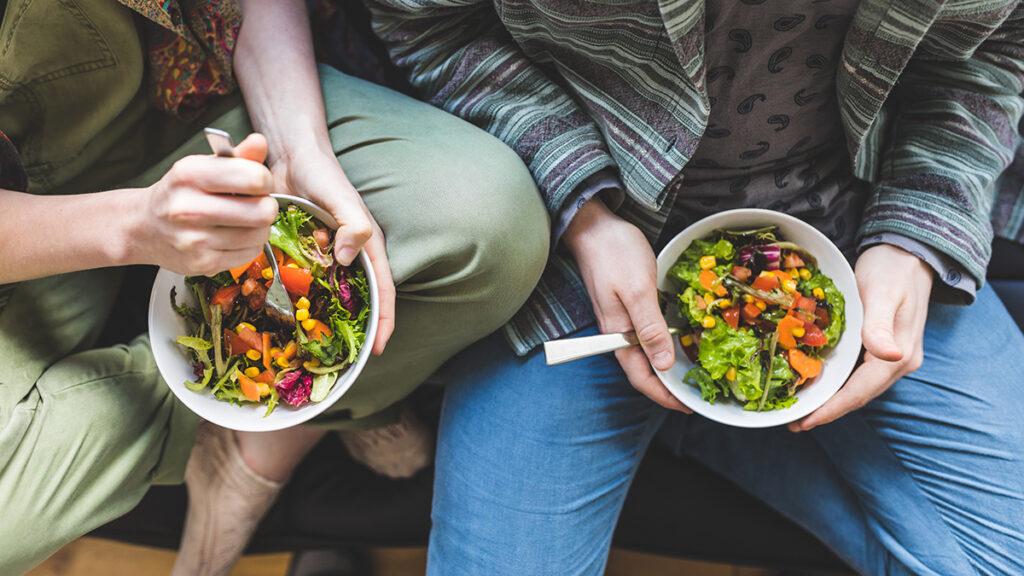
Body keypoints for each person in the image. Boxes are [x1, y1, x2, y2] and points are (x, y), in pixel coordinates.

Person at [367, 0, 1024, 573]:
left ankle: (709, 422)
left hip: (849, 228)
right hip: (570, 249)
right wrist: (586, 216)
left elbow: (995, 45)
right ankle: (717, 418)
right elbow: (428, 24)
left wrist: (915, 234)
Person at [0, 0, 547, 574]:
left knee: (493, 226)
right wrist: (130, 227)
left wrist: (295, 152)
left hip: (192, 97)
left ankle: (257, 438)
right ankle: (240, 426)